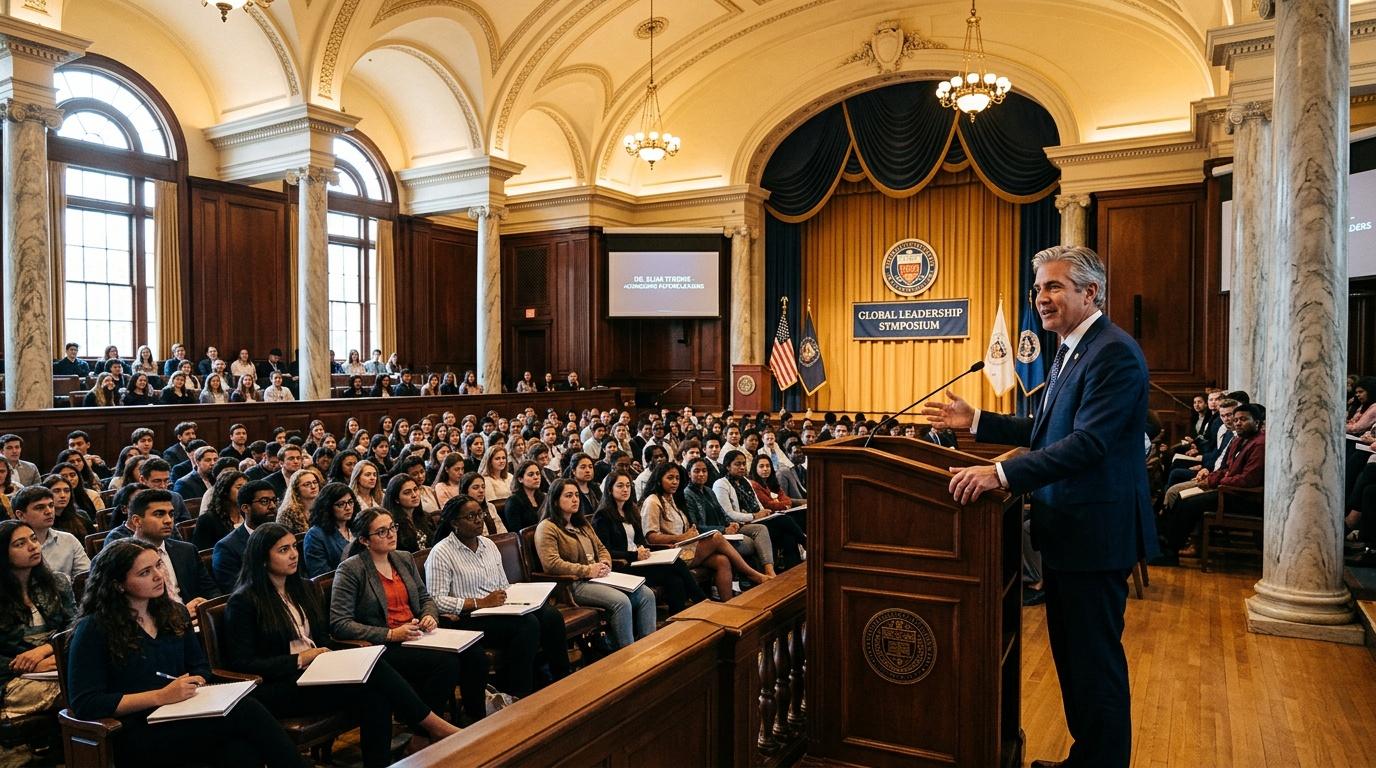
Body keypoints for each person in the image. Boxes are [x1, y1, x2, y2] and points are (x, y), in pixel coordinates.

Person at [922, 245, 1155, 768]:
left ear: (1090, 292)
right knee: (1075, 663)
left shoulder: (1111, 351)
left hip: (1094, 536)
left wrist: (1000, 472)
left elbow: (1088, 444)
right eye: (1038, 289)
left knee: (1094, 665)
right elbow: (1046, 430)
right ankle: (1087, 758)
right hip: (1071, 534)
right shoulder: (1074, 349)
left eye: (1053, 287)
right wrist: (978, 420)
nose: (1041, 299)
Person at [224, 523, 459, 765]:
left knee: (375, 690)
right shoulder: (244, 601)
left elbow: (324, 640)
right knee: (375, 681)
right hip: (280, 685)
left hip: (318, 672)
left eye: (294, 546)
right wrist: (300, 659)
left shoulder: (303, 588)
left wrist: (338, 658)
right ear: (263, 559)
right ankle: (434, 726)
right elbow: (243, 662)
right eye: (283, 550)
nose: (294, 554)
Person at [66, 540, 303, 768]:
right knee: (247, 711)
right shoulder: (94, 628)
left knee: (241, 753)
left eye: (158, 565)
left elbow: (200, 666)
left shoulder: (175, 613)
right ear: (118, 584)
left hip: (182, 713)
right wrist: (161, 696)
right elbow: (87, 703)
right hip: (134, 729)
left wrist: (193, 682)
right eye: (145, 573)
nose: (159, 576)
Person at [329, 507, 489, 723]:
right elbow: (340, 624)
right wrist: (391, 634)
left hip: (417, 634)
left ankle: (475, 719)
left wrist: (429, 615)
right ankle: (423, 731)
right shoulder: (350, 570)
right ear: (365, 540)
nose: (391, 534)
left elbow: (425, 598)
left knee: (475, 653)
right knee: (446, 663)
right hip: (385, 644)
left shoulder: (403, 558)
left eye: (392, 527)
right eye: (382, 532)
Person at [425, 497, 571, 696]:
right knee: (527, 625)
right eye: (471, 516)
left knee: (550, 616)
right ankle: (520, 693)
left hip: (499, 608)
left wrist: (523, 598)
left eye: (480, 514)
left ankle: (562, 680)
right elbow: (436, 600)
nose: (479, 520)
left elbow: (503, 584)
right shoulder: (441, 553)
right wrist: (480, 603)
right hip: (468, 618)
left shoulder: (488, 545)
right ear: (454, 523)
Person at [534, 478, 656, 650]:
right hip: (573, 584)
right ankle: (629, 655)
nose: (575, 499)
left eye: (576, 495)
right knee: (621, 602)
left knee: (646, 594)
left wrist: (605, 562)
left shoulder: (582, 524)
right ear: (555, 500)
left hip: (599, 577)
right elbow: (552, 564)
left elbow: (601, 548)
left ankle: (649, 648)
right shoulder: (547, 527)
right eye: (569, 496)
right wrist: (588, 570)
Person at [642, 462, 771, 600]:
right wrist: (682, 537)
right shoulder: (652, 501)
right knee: (715, 537)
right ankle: (753, 574)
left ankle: (728, 605)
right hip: (669, 554)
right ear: (659, 479)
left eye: (677, 478)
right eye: (670, 478)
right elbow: (651, 537)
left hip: (683, 547)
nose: (675, 482)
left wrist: (691, 533)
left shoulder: (672, 498)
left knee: (722, 560)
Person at [593, 470, 705, 613]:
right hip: (622, 566)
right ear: (610, 489)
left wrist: (644, 550)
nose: (625, 489)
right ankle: (702, 602)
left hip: (639, 561)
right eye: (620, 486)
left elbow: (640, 542)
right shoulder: (602, 516)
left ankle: (680, 618)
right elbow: (606, 551)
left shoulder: (631, 510)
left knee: (675, 578)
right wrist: (634, 555)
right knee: (676, 566)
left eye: (628, 485)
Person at [0, 519, 74, 730]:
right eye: (19, 544)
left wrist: (48, 650)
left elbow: (74, 626)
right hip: (10, 681)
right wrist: (29, 666)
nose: (33, 546)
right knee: (74, 690)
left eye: (33, 539)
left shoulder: (57, 583)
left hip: (55, 665)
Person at [127, 488, 221, 609]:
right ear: (137, 520)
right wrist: (183, 613)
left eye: (171, 514)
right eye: (159, 514)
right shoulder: (125, 559)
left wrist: (205, 605)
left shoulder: (187, 550)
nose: (168, 520)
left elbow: (211, 590)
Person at [713, 450, 806, 570]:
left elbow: (758, 505)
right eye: (737, 464)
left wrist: (764, 512)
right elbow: (729, 514)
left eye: (743, 464)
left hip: (756, 519)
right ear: (727, 466)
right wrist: (754, 516)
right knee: (784, 520)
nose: (742, 467)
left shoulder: (746, 482)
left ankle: (793, 571)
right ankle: (805, 542)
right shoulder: (721, 484)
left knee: (787, 535)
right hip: (739, 524)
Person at [682, 457, 773, 576]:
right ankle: (751, 576)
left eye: (704, 471)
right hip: (710, 537)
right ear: (689, 474)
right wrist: (723, 529)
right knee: (749, 544)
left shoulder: (708, 490)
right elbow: (696, 526)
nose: (701, 474)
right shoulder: (687, 494)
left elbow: (722, 512)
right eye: (697, 471)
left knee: (761, 529)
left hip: (724, 530)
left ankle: (769, 570)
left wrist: (731, 523)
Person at [212, 480, 280, 593]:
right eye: (264, 501)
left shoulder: (284, 535)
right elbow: (236, 591)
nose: (272, 506)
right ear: (245, 508)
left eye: (274, 500)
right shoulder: (227, 548)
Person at [12, 486, 89, 579]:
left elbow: (85, 577)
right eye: (39, 507)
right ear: (21, 515)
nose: (49, 511)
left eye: (51, 505)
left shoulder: (68, 540)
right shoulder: (13, 548)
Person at [302, 483, 356, 578]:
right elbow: (321, 576)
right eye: (341, 504)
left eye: (350, 502)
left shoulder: (356, 526)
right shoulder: (315, 535)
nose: (348, 507)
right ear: (328, 507)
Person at [193, 470, 246, 551]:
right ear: (225, 491)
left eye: (246, 488)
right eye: (239, 488)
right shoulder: (207, 520)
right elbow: (203, 554)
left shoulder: (250, 514)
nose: (244, 492)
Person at [502, 459, 545, 532]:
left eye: (538, 473)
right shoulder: (513, 502)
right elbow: (516, 532)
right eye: (531, 474)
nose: (536, 477)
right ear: (520, 479)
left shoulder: (543, 497)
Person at [276, 468, 322, 534]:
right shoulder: (287, 513)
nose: (313, 486)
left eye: (315, 482)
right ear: (296, 489)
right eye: (307, 484)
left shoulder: (322, 507)